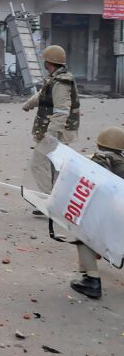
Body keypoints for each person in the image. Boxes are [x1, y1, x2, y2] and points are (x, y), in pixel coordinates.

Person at [69, 126, 124, 300]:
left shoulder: (103, 158)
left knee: (82, 233)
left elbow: (99, 182)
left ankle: (91, 280)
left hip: (115, 212)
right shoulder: (121, 160)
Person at [22, 45, 80, 195]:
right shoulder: (55, 79)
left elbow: (62, 110)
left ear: (48, 62)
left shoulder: (61, 82)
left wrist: (51, 135)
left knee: (38, 163)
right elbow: (42, 94)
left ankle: (49, 200)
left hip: (57, 131)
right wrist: (28, 104)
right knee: (55, 165)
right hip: (55, 130)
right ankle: (58, 198)